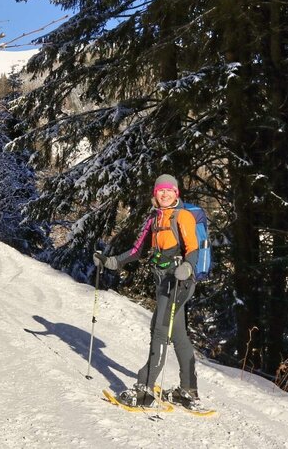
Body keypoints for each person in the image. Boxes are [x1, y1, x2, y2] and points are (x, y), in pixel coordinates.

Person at [93, 174, 203, 410]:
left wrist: (188, 266)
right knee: (179, 334)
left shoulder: (183, 216)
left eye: (169, 190)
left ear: (176, 193)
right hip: (163, 281)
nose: (164, 194)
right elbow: (136, 250)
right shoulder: (153, 218)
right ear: (155, 194)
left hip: (179, 281)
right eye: (160, 191)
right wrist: (112, 262)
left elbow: (193, 247)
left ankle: (145, 390)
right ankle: (188, 390)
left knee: (160, 331)